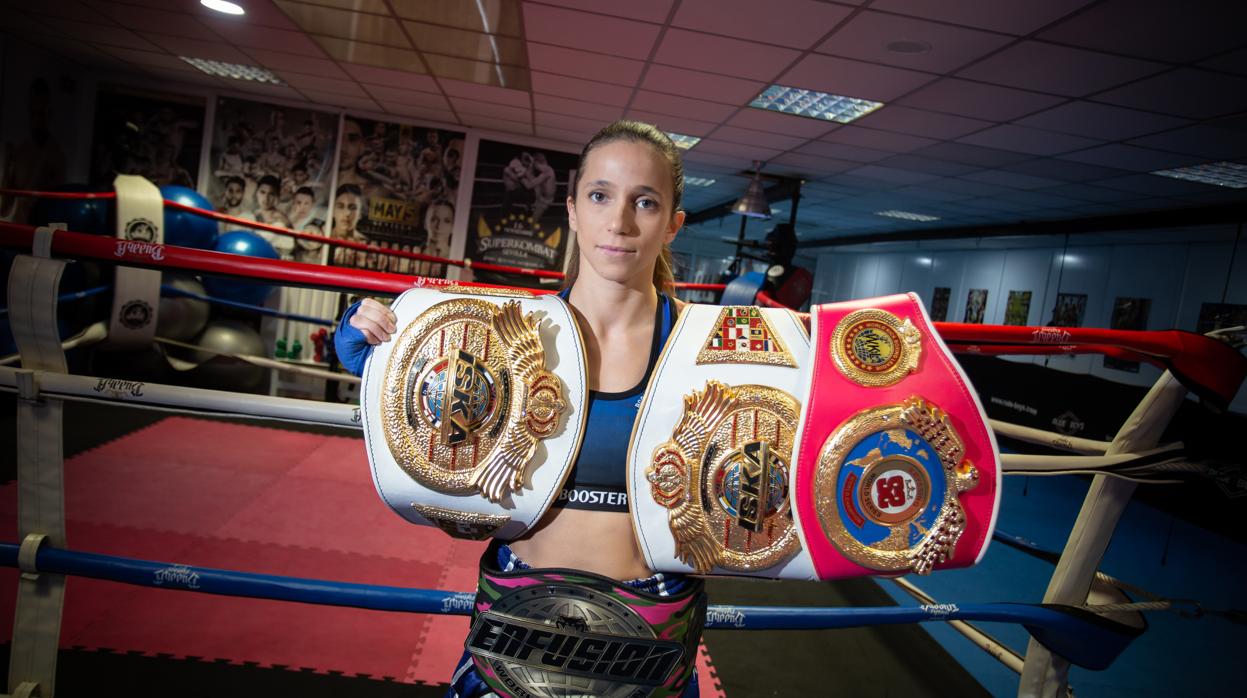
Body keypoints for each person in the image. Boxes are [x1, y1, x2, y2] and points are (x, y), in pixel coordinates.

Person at [334, 120, 702, 697]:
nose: (620, 222)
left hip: (648, 646)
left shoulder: (706, 352)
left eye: (646, 202)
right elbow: (401, 376)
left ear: (673, 224)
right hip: (516, 629)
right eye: (600, 195)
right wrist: (375, 336)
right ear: (573, 210)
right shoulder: (500, 338)